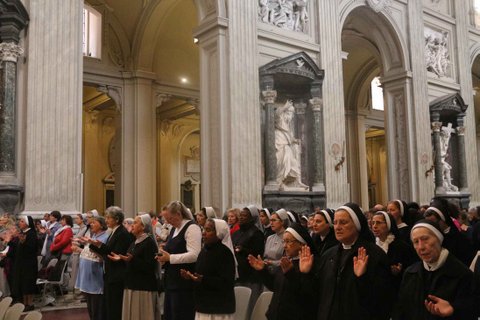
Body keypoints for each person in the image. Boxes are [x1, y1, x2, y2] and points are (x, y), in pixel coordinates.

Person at [300, 202, 394, 320]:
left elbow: (383, 300)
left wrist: (361, 278)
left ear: (357, 224)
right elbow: (318, 295)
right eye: (335, 223)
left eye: (343, 222)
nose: (337, 227)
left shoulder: (374, 255)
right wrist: (306, 274)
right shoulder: (328, 255)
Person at [393, 220, 476, 319]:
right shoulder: (410, 273)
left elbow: (472, 311)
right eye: (416, 242)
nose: (421, 247)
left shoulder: (462, 274)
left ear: (439, 239)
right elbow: (402, 308)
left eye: (425, 239)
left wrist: (454, 310)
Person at [248, 222, 317, 320]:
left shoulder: (310, 264)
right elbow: (275, 286)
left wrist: (292, 273)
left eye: (288, 241)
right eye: (283, 241)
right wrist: (263, 271)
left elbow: (306, 296)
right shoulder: (287, 261)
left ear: (301, 243)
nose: (284, 246)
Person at [181, 218, 236, 320]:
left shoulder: (225, 253)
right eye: (203, 229)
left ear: (218, 233)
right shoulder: (204, 251)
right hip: (203, 304)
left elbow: (226, 283)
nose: (203, 233)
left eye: (208, 230)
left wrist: (203, 279)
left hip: (218, 308)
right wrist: (191, 276)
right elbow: (201, 273)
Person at [156, 200, 202, 320]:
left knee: (181, 315)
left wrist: (170, 258)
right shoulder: (174, 229)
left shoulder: (192, 228)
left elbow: (194, 254)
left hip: (184, 283)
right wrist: (163, 256)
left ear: (178, 214)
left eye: (170, 218)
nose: (168, 222)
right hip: (171, 281)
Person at [89, 206, 134, 320]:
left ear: (117, 219)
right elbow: (109, 250)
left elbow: (115, 252)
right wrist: (94, 245)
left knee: (115, 306)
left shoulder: (122, 233)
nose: (106, 220)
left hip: (117, 275)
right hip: (111, 273)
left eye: (109, 218)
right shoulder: (114, 231)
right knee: (110, 305)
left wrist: (98, 245)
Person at [110, 214, 158, 320]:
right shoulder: (134, 242)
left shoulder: (149, 243)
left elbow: (150, 266)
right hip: (131, 284)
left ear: (143, 227)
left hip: (143, 287)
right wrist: (122, 259)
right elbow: (130, 260)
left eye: (135, 223)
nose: (132, 225)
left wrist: (132, 260)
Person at [232, 205, 265, 318]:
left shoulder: (257, 234)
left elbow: (259, 253)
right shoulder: (236, 233)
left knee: (250, 306)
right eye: (240, 215)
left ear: (252, 218)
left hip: (251, 276)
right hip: (238, 274)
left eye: (244, 216)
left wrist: (244, 250)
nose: (241, 217)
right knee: (239, 307)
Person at [371, 211, 416, 290]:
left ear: (388, 225)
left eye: (378, 223)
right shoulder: (371, 246)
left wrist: (399, 272)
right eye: (373, 223)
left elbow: (412, 269)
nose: (374, 226)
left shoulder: (401, 246)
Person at [75, 216, 109, 320]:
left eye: (94, 222)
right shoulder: (93, 237)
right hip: (88, 279)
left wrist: (91, 246)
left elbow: (103, 256)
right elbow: (89, 253)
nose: (91, 224)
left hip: (96, 280)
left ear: (102, 225)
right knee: (91, 309)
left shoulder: (105, 238)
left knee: (97, 310)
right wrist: (79, 249)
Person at [423, 198, 475, 266]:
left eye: (434, 222)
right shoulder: (430, 237)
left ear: (442, 220)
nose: (431, 226)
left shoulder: (460, 239)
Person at [275, 100, 308, 190]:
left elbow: (289, 137)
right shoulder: (280, 119)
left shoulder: (288, 125)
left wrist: (294, 140)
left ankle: (296, 182)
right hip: (279, 142)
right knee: (283, 160)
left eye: (292, 114)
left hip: (286, 145)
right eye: (290, 113)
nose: (291, 116)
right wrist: (285, 107)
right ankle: (279, 181)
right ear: (285, 113)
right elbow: (277, 114)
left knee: (293, 162)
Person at [8, 216, 38, 311]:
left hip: (29, 264)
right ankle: (24, 303)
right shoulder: (23, 233)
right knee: (23, 283)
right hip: (22, 263)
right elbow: (18, 248)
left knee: (28, 283)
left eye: (21, 221)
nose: (19, 223)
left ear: (27, 223)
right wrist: (12, 241)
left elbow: (33, 249)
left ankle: (29, 303)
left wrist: (23, 242)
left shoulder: (31, 234)